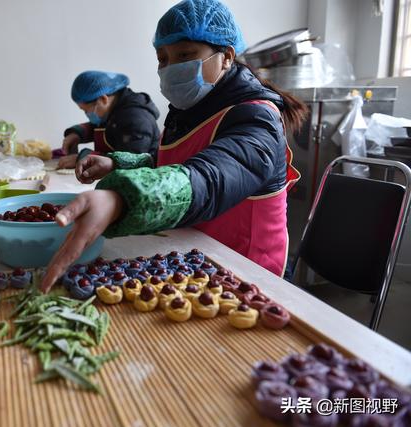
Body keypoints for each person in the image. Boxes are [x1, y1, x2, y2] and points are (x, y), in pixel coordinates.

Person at [42, 0, 307, 291]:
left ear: (227, 57)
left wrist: (121, 198)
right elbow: (175, 163)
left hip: (246, 274)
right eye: (163, 59)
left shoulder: (257, 118)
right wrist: (119, 163)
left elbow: (210, 177)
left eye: (185, 55)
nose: (171, 68)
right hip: (195, 258)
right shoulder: (189, 109)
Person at [57, 70, 161, 169]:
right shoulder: (115, 109)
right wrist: (77, 134)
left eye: (87, 111)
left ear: (103, 99)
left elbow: (130, 162)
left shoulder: (137, 120)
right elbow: (104, 127)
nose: (87, 115)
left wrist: (84, 157)